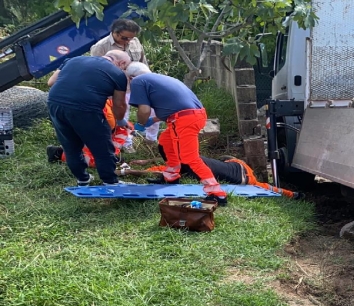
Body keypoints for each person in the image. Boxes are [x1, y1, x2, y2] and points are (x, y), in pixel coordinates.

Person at [125, 61, 228, 205]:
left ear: (130, 77)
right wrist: (153, 120)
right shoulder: (159, 79)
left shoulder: (137, 81)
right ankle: (171, 177)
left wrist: (140, 125)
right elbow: (173, 106)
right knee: (165, 141)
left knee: (189, 158)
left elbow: (144, 110)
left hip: (183, 120)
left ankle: (217, 193)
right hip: (193, 115)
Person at [46, 50, 131, 186]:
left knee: (70, 144)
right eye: (125, 67)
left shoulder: (73, 59)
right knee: (102, 145)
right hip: (85, 109)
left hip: (55, 104)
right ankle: (110, 181)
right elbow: (119, 104)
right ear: (121, 63)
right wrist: (120, 121)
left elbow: (51, 82)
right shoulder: (118, 74)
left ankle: (82, 179)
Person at [90, 18, 159, 152]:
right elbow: (97, 71)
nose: (128, 41)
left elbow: (142, 62)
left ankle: (151, 139)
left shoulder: (135, 41)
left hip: (139, 82)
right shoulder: (100, 47)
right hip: (118, 87)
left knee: (153, 109)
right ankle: (126, 144)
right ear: (115, 33)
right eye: (124, 38)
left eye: (131, 38)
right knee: (123, 113)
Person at [119, 154, 305, 200]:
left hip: (241, 179)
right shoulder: (243, 169)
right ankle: (296, 195)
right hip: (242, 175)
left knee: (268, 188)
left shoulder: (190, 162)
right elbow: (269, 188)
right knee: (267, 187)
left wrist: (130, 172)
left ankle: (295, 195)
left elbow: (162, 169)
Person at [46, 98, 131, 168]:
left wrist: (121, 121)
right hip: (89, 130)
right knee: (99, 161)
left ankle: (109, 153)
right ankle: (59, 153)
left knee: (125, 129)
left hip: (106, 129)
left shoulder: (106, 97)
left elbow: (116, 107)